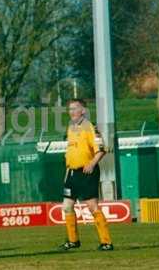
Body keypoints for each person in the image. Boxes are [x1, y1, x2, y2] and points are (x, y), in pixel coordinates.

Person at [60, 98, 113, 251]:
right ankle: (73, 241)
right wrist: (67, 171)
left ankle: (106, 242)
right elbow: (70, 152)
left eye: (75, 108)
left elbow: (101, 149)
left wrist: (92, 163)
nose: (72, 111)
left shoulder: (90, 127)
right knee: (67, 206)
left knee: (92, 207)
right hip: (71, 173)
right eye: (70, 109)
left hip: (86, 172)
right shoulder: (71, 128)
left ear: (83, 110)